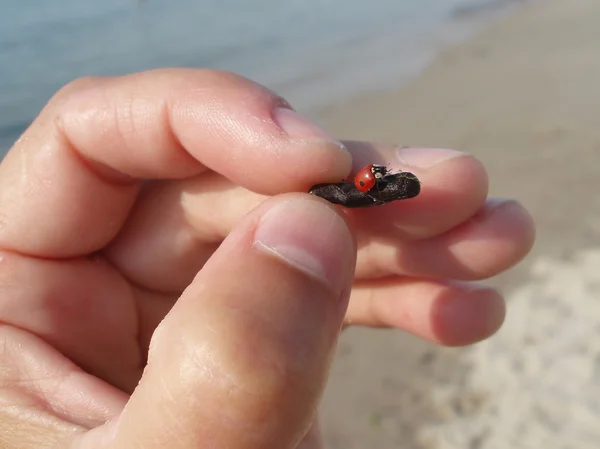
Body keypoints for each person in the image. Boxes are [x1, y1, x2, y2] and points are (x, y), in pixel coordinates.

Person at [0, 68, 534, 448]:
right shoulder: (338, 197)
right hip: (335, 198)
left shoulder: (369, 188)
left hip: (348, 196)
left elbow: (377, 185)